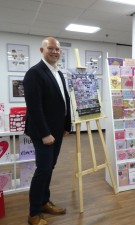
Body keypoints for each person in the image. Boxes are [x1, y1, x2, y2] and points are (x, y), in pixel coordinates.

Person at [23, 37, 71, 225]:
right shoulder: (34, 73)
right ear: (41, 50)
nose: (55, 52)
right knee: (43, 170)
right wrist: (45, 133)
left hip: (57, 131)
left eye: (57, 49)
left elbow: (63, 101)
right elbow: (34, 107)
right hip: (43, 133)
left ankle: (44, 202)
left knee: (49, 167)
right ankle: (33, 213)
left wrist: (67, 126)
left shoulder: (57, 73)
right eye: (50, 48)